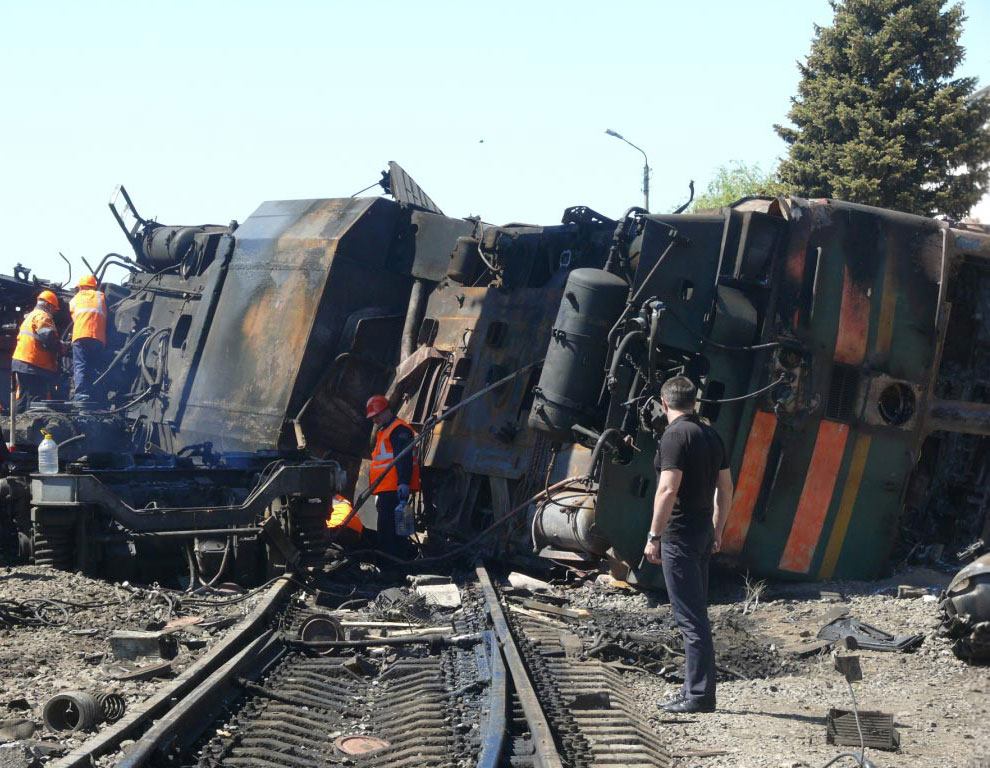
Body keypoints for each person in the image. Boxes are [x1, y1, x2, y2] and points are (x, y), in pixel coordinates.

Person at [643, 375, 733, 714]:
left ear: (665, 403)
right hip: (701, 533)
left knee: (690, 618)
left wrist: (655, 536)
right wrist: (717, 529)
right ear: (693, 402)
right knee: (695, 615)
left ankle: (699, 696)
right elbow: (725, 488)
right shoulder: (710, 435)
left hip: (679, 535)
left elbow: (668, 489)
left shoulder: (675, 436)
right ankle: (693, 690)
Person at [366, 394, 420, 556]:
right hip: (387, 489)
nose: (374, 420)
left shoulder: (399, 430)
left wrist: (403, 483)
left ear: (384, 411)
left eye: (375, 416)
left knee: (388, 530)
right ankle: (394, 563)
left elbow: (403, 458)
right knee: (390, 529)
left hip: (394, 488)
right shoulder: (386, 431)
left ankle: (390, 565)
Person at [12, 291, 64, 412]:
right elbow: (48, 337)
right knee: (36, 399)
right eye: (54, 309)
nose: (53, 312)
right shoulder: (43, 315)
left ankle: (17, 426)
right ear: (48, 305)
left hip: (22, 362)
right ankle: (32, 427)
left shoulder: (30, 315)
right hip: (34, 364)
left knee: (24, 397)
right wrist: (61, 347)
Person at [68, 274, 108, 401]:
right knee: (95, 366)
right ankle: (95, 395)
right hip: (98, 337)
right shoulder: (100, 296)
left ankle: (80, 396)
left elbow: (75, 318)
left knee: (80, 365)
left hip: (80, 336)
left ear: (80, 287)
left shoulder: (74, 300)